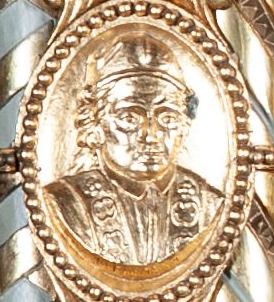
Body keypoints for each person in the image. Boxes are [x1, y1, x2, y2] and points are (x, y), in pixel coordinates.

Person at [47, 36, 219, 275]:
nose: (151, 135)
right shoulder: (65, 203)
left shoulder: (210, 204)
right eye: (129, 118)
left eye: (167, 118)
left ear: (184, 126)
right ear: (95, 123)